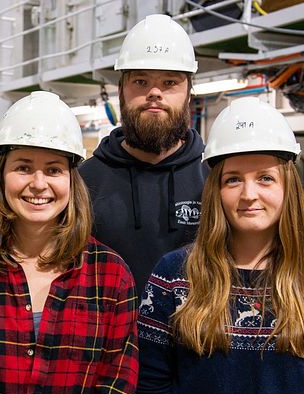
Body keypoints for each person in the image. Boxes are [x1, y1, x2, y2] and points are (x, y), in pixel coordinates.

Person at [134, 97, 304, 394]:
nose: (249, 194)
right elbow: (149, 393)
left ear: (288, 188)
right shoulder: (173, 277)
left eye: (265, 178)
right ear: (216, 190)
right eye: (233, 179)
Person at [0, 91, 138, 394]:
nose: (38, 183)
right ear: (1, 176)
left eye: (53, 170)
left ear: (71, 179)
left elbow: (115, 390)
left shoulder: (110, 275)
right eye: (23, 167)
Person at [79, 14, 209, 297]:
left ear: (189, 93)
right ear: (121, 91)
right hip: (108, 340)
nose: (154, 92)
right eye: (140, 81)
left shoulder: (214, 178)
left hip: (194, 340)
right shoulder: (83, 182)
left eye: (170, 82)